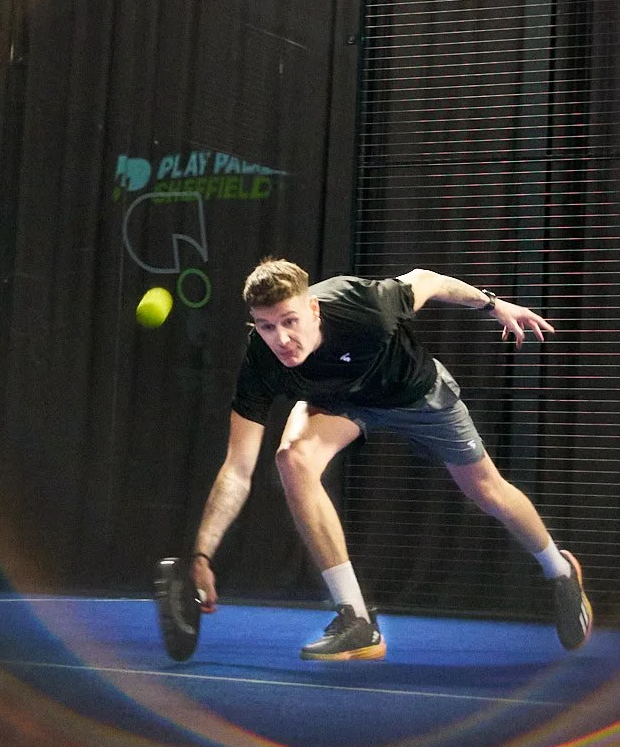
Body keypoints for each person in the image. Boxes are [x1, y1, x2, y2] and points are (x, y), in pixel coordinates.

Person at [187, 257, 593, 660]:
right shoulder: (260, 360)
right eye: (267, 326)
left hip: (416, 395)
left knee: (487, 491)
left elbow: (427, 279)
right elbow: (237, 469)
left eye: (289, 321)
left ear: (313, 308)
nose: (281, 339)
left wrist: (491, 303)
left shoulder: (362, 304)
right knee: (293, 459)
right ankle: (356, 618)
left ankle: (560, 571)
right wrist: (203, 553)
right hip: (341, 403)